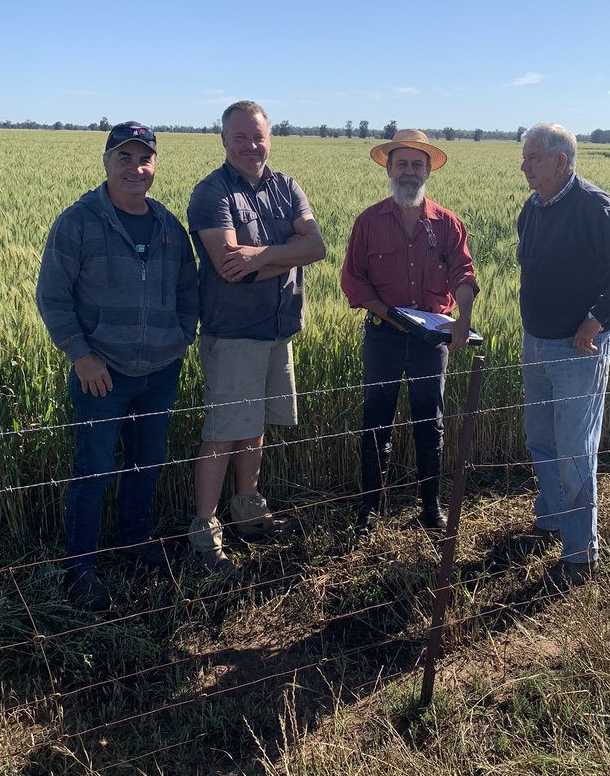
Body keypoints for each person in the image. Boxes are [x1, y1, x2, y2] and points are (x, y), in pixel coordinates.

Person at [36, 122, 199, 612]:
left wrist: (180, 337)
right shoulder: (79, 221)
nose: (135, 168)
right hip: (101, 374)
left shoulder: (169, 226)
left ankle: (134, 544)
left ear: (155, 165)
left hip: (159, 372)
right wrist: (81, 356)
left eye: (144, 158)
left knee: (147, 464)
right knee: (94, 469)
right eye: (124, 158)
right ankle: (79, 569)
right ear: (106, 162)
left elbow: (189, 291)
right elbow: (52, 296)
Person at [186, 100, 326, 575]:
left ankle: (248, 513)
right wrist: (288, 253)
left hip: (277, 329)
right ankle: (205, 535)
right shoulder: (211, 192)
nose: (251, 145)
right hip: (233, 335)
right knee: (223, 434)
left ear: (271, 137)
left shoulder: (286, 186)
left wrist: (259, 255)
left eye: (258, 136)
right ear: (224, 140)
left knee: (255, 426)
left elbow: (318, 246)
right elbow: (231, 271)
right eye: (240, 137)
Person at [517, 123, 610, 586]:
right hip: (535, 342)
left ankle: (580, 553)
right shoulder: (533, 208)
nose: (524, 168)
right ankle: (553, 517)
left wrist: (597, 317)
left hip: (578, 350)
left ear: (561, 161)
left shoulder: (593, 206)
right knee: (541, 439)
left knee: (575, 449)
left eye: (532, 158)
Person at [341, 129, 479, 536]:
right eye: (401, 163)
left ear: (428, 172)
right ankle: (370, 509)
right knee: (376, 421)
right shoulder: (368, 222)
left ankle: (430, 508)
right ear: (388, 168)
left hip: (430, 343)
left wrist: (464, 318)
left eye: (417, 164)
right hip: (383, 337)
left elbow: (463, 274)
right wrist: (392, 316)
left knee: (429, 422)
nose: (409, 171)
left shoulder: (449, 224)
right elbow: (354, 282)